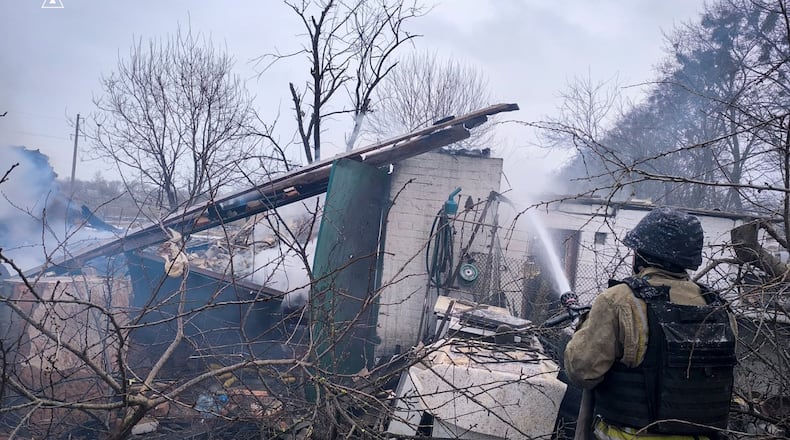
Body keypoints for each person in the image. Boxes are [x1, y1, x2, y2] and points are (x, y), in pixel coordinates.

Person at [564, 206, 737, 440]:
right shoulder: (718, 308)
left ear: (642, 254)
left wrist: (584, 329)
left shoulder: (619, 300)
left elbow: (582, 371)